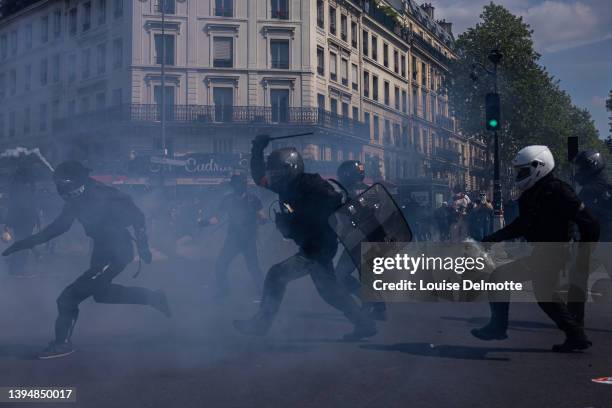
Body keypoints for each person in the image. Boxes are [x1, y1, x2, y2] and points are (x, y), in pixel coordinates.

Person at [2, 161, 171, 359]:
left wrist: (142, 246)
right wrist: (23, 243)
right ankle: (154, 298)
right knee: (101, 295)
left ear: (79, 183)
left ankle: (62, 343)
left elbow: (138, 216)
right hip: (102, 250)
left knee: (67, 298)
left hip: (116, 251)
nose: (63, 192)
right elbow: (57, 228)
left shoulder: (105, 194)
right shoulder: (75, 200)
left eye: (66, 186)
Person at [233, 136, 377, 340]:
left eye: (276, 171)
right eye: (272, 172)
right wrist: (257, 148)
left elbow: (335, 199)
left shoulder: (311, 184)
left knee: (276, 275)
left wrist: (295, 221)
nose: (272, 176)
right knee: (329, 291)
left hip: (318, 246)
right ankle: (365, 324)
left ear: (290, 168)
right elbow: (259, 178)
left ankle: (261, 324)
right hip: (314, 245)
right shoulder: (285, 185)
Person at [471, 145, 599, 352]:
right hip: (542, 251)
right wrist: (492, 238)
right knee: (545, 296)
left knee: (500, 278)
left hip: (555, 252)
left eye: (523, 171)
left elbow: (590, 222)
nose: (520, 175)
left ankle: (497, 327)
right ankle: (576, 335)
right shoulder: (531, 193)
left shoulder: (559, 190)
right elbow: (522, 224)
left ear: (539, 166)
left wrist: (585, 250)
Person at [334, 160, 387, 321]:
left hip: (358, 240)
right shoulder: (371, 191)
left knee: (340, 275)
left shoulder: (348, 193)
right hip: (375, 239)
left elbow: (346, 217)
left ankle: (370, 304)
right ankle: (378, 308)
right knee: (368, 275)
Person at [200, 172, 265, 298]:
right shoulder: (228, 199)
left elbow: (262, 216)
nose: (239, 186)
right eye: (236, 184)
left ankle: (263, 293)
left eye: (241, 184)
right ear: (233, 185)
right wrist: (203, 223)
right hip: (233, 240)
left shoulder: (253, 199)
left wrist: (262, 219)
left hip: (248, 241)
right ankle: (224, 292)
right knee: (220, 265)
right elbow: (216, 219)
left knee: (254, 269)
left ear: (244, 185)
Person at [4, 165, 40, 276]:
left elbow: (29, 204)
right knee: (22, 243)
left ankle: (16, 268)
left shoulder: (17, 187)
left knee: (21, 243)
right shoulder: (21, 188)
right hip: (23, 220)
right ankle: (17, 269)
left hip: (22, 220)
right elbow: (28, 205)